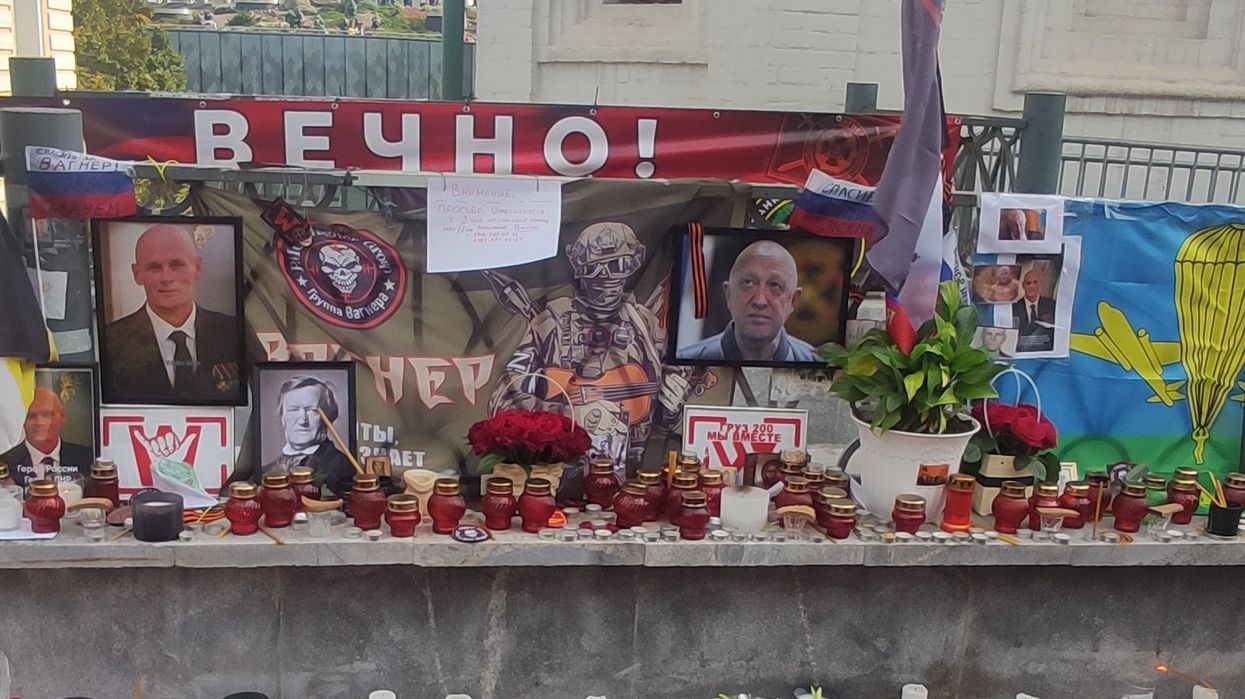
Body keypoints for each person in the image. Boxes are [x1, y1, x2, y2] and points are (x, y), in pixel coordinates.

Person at [487, 222, 706, 470]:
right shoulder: (551, 323)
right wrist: (562, 413)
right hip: (556, 467)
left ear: (633, 265)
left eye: (618, 265)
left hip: (631, 470)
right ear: (580, 270)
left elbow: (663, 421)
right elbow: (503, 400)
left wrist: (670, 407)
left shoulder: (646, 326)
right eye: (594, 269)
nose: (607, 277)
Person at [103, 224, 241, 403]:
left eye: (177, 265)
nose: (166, 278)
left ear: (197, 268)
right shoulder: (111, 340)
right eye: (154, 267)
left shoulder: (232, 330)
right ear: (137, 274)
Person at [678, 240, 818, 362]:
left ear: (793, 300)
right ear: (729, 294)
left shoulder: (819, 365)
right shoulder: (684, 364)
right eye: (748, 283)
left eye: (775, 285)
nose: (759, 300)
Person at [260, 376, 355, 499]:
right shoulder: (267, 470)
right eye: (293, 410)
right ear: (282, 416)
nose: (302, 420)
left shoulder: (340, 466)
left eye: (311, 410)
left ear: (327, 416)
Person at [0, 388, 93, 486]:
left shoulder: (87, 457)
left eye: (47, 415)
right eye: (31, 416)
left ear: (62, 416)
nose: (40, 422)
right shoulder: (5, 462)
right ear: (21, 421)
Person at [1014, 269, 1056, 351]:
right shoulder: (1014, 308)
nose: (1031, 286)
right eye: (1028, 283)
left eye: (1035, 282)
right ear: (1023, 286)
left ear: (1040, 284)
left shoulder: (1052, 305)